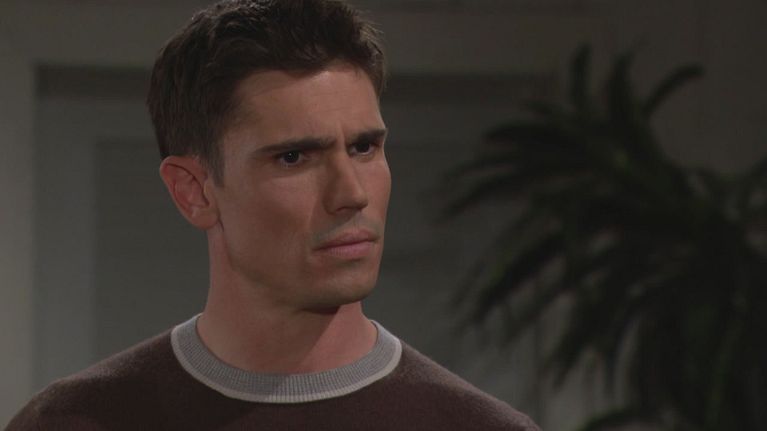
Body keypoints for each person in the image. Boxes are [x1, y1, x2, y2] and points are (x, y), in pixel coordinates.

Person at [7, 1, 540, 429]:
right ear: (194, 192)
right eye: (294, 157)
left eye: (364, 148)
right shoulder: (73, 422)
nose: (352, 193)